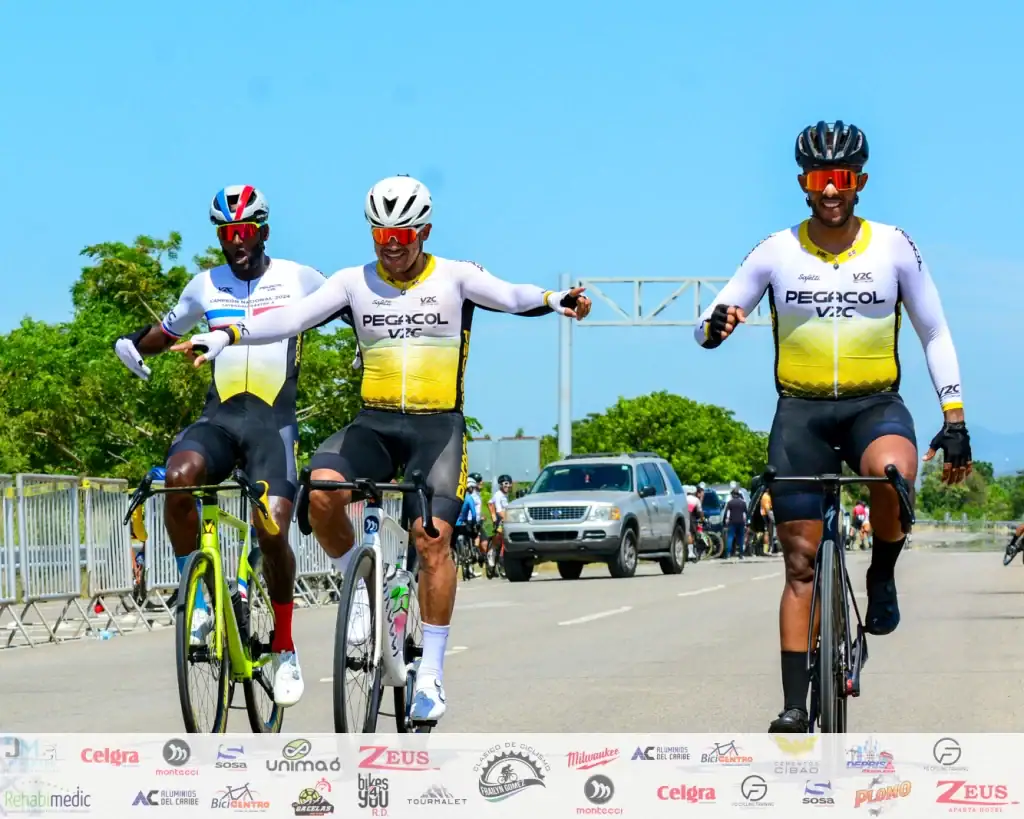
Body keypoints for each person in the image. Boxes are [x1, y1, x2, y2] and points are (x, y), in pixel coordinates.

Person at [172, 175, 591, 724]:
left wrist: (555, 299)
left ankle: (433, 673)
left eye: (403, 236)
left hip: (436, 428)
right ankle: (362, 588)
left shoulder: (456, 278)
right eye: (381, 236)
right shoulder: (353, 282)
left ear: (424, 232)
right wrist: (226, 335)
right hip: (374, 423)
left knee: (431, 538)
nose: (392, 247)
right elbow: (289, 318)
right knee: (320, 493)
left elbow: (512, 296)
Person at [694, 121, 972, 733]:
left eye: (842, 178)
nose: (830, 190)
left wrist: (954, 416)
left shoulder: (894, 246)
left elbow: (935, 332)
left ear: (860, 183)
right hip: (801, 412)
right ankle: (795, 704)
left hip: (876, 405)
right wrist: (716, 326)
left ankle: (882, 573)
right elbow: (711, 316)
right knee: (799, 564)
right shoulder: (775, 251)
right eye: (820, 179)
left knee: (894, 475)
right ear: (803, 184)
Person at [114, 185, 326, 707]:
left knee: (270, 525)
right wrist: (130, 346)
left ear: (263, 232)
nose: (237, 242)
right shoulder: (205, 285)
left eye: (246, 231)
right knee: (178, 476)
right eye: (228, 233)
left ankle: (283, 645)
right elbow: (167, 331)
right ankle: (200, 598)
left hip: (273, 427)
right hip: (221, 419)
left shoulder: (300, 278)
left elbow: (353, 307)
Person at [454, 478, 480, 578]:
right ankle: (471, 556)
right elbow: (473, 514)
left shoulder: (456, 496)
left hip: (454, 525)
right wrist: (474, 524)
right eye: (472, 488)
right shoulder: (469, 498)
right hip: (464, 524)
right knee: (472, 536)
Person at [724, 488, 747, 559]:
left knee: (730, 537)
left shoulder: (730, 503)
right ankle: (741, 554)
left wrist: (725, 522)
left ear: (733, 494)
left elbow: (727, 513)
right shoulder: (743, 503)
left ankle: (728, 554)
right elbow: (745, 513)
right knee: (741, 538)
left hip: (732, 522)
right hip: (741, 522)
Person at [760, 487, 777, 554]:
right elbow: (767, 509)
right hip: (767, 515)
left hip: (766, 514)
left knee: (770, 533)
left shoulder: (765, 495)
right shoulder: (766, 497)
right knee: (771, 533)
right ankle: (771, 548)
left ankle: (771, 548)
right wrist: (772, 519)